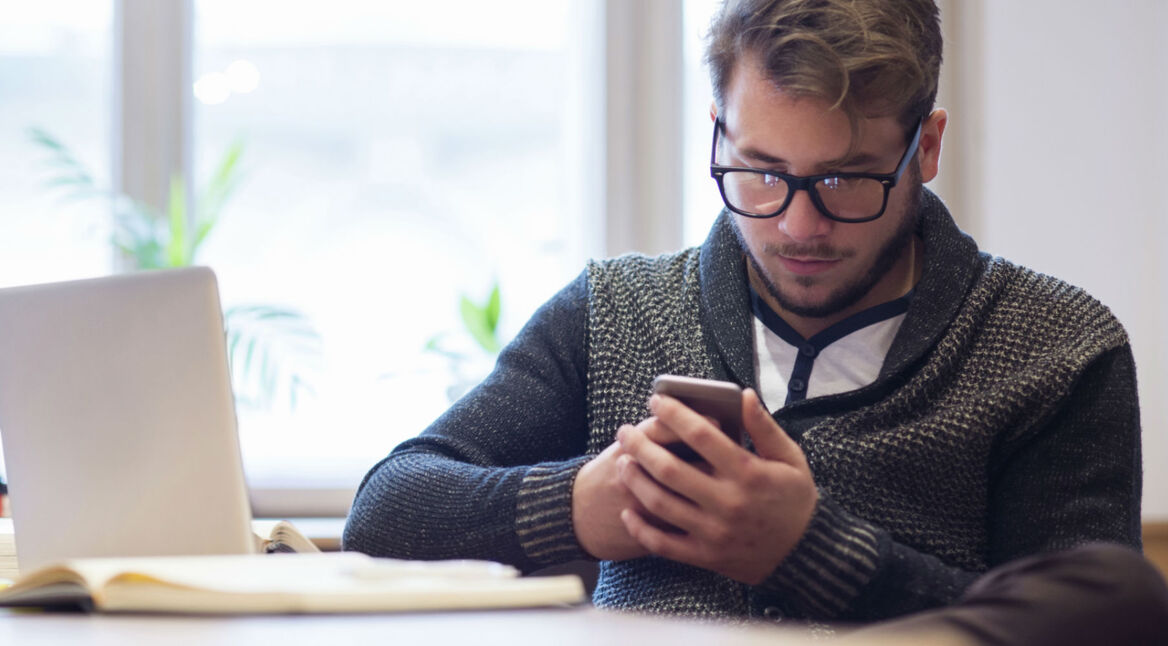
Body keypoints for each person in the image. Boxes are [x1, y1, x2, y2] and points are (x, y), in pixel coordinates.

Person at [344, 0, 1167, 639]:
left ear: (926, 147)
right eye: (760, 172)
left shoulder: (1055, 350)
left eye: (847, 182)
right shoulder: (616, 312)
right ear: (717, 132)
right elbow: (386, 514)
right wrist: (584, 507)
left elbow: (1101, 628)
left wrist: (811, 551)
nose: (797, 228)